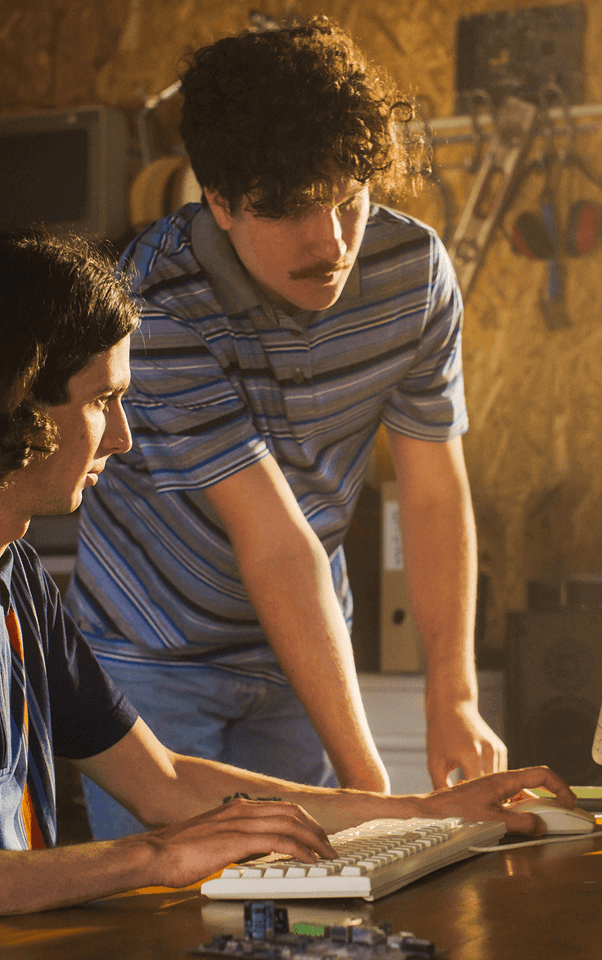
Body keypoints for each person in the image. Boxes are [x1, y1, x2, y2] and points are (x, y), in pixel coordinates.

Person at [0, 231, 572, 942]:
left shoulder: (12, 576)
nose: (122, 438)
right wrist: (151, 857)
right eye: (103, 401)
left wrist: (424, 811)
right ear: (15, 400)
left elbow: (162, 783)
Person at [66, 16, 506, 838]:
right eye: (293, 211)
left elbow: (434, 491)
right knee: (169, 922)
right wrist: (378, 799)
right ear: (220, 200)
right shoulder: (151, 304)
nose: (331, 243)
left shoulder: (412, 273)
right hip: (153, 656)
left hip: (302, 651)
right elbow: (273, 540)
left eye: (349, 201)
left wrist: (454, 697)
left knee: (299, 914)